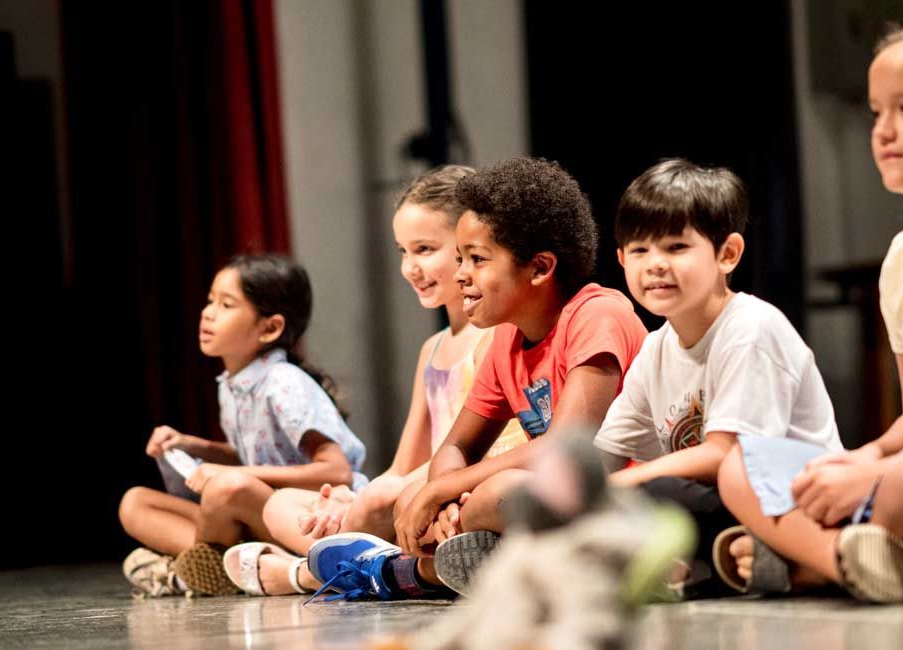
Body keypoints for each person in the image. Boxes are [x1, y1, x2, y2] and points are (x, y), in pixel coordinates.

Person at [305, 156, 648, 601]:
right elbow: (455, 446)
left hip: (623, 500)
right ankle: (460, 565)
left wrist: (450, 489)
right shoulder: (506, 338)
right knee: (413, 497)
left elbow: (565, 448)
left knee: (494, 494)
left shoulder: (597, 314)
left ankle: (404, 573)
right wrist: (444, 501)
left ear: (540, 268)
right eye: (461, 258)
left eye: (478, 259)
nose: (461, 274)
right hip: (548, 503)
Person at [715, 12, 903, 602]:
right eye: (878, 111)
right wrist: (854, 465)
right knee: (744, 466)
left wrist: (876, 479)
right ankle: (858, 559)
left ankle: (805, 561)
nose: (882, 130)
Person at [221, 166, 526, 596]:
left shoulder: (494, 336)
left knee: (383, 501)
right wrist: (348, 501)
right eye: (403, 251)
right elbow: (404, 463)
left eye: (424, 249)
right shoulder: (433, 348)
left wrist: (388, 495)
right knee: (282, 504)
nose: (410, 267)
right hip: (417, 486)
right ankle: (361, 559)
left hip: (459, 485)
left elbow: (490, 444)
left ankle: (307, 573)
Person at [588, 158, 842, 597]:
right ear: (620, 259)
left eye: (676, 247)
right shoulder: (656, 349)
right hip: (720, 503)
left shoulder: (751, 329)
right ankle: (722, 563)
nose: (655, 265)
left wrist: (618, 485)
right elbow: (605, 455)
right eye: (640, 250)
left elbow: (723, 454)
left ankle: (774, 555)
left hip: (796, 501)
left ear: (727, 254)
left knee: (656, 491)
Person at [118, 254, 367, 597]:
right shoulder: (233, 384)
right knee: (135, 502)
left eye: (226, 304)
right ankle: (228, 565)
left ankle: (195, 569)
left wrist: (228, 476)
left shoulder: (283, 382)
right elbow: (253, 457)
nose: (208, 312)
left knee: (227, 488)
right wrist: (193, 446)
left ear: (270, 328)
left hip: (305, 516)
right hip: (255, 514)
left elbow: (336, 471)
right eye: (210, 301)